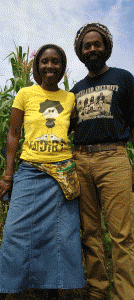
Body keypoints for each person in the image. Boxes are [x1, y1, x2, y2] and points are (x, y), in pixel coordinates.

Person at [0, 44, 85, 300]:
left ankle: (51, 291)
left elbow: (75, 131)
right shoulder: (25, 94)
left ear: (62, 67)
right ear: (37, 66)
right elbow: (13, 135)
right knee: (15, 233)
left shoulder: (70, 99)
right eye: (44, 61)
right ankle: (10, 290)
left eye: (55, 62)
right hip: (29, 172)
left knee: (60, 237)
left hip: (62, 176)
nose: (50, 66)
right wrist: (8, 175)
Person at [69, 23, 134, 300]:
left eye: (97, 44)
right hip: (81, 161)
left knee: (122, 234)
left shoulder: (124, 78)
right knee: (89, 231)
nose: (92, 48)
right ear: (80, 52)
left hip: (114, 158)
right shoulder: (75, 90)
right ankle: (97, 290)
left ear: (106, 47)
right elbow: (65, 128)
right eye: (87, 45)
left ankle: (125, 293)